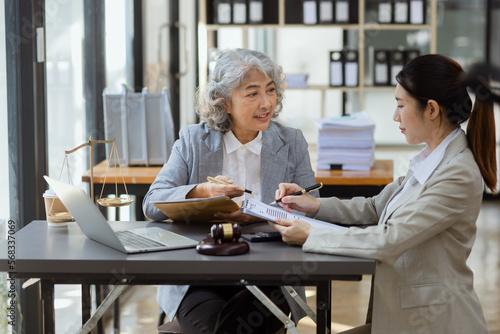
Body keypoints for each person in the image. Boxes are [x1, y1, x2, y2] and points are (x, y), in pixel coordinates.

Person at [271, 54, 497, 334]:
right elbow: (376, 208)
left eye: (401, 105)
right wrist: (313, 206)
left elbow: (390, 239)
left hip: (434, 324)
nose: (395, 116)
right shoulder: (433, 158)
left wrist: (311, 235)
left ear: (432, 109)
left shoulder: (457, 173)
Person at [143, 48, 317, 333]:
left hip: (273, 276)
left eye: (270, 91)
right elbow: (152, 204)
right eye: (252, 93)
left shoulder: (291, 142)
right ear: (223, 101)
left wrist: (265, 214)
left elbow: (312, 207)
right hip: (200, 274)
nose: (266, 103)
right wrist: (200, 192)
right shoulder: (193, 140)